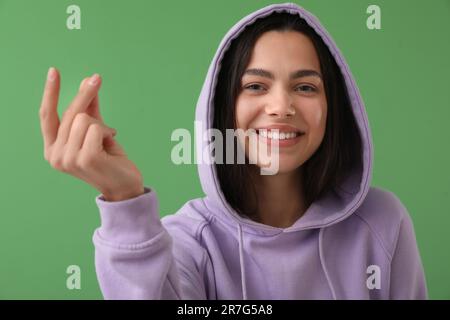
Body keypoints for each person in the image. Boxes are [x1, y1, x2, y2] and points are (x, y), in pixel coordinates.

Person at [39, 2, 427, 299]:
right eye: (256, 86)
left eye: (305, 87)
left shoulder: (383, 222)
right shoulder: (189, 240)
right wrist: (124, 201)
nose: (282, 107)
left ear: (333, 109)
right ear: (222, 109)